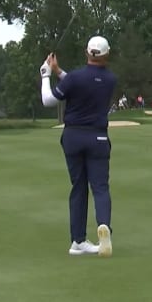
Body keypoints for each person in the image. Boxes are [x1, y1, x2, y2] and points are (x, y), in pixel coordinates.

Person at [39, 36, 116, 257]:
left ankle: (78, 241)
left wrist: (46, 75)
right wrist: (58, 70)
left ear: (87, 53)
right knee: (100, 187)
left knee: (78, 188)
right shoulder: (110, 79)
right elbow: (80, 84)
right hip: (98, 139)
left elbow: (49, 100)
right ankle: (104, 227)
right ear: (106, 55)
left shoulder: (75, 78)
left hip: (73, 137)